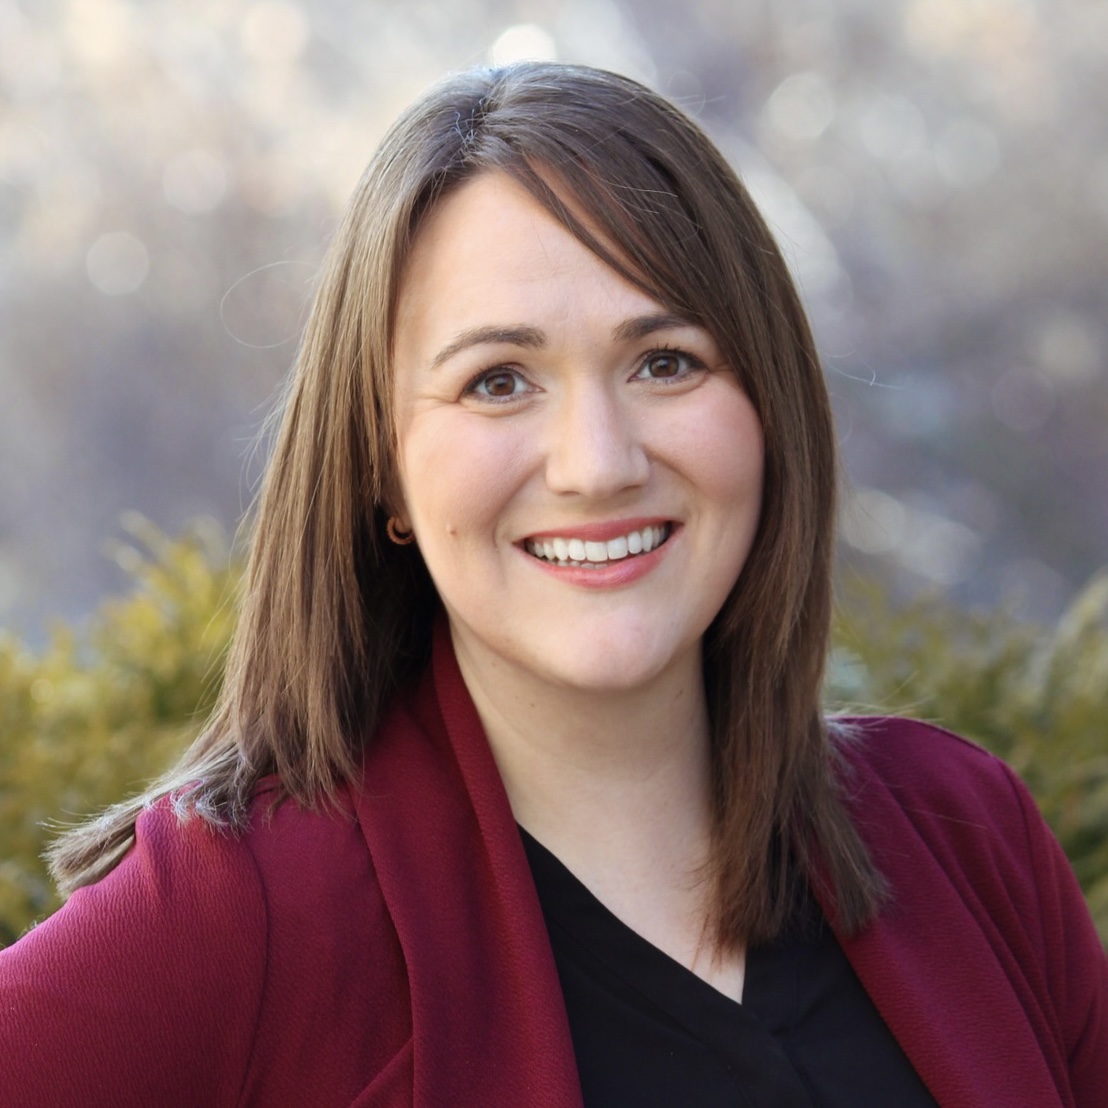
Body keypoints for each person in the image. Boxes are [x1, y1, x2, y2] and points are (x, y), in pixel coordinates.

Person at [1, 61, 1104, 1107]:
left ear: (767, 408)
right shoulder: (245, 912)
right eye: (497, 381)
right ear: (382, 462)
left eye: (665, 361)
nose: (597, 460)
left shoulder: (964, 829)